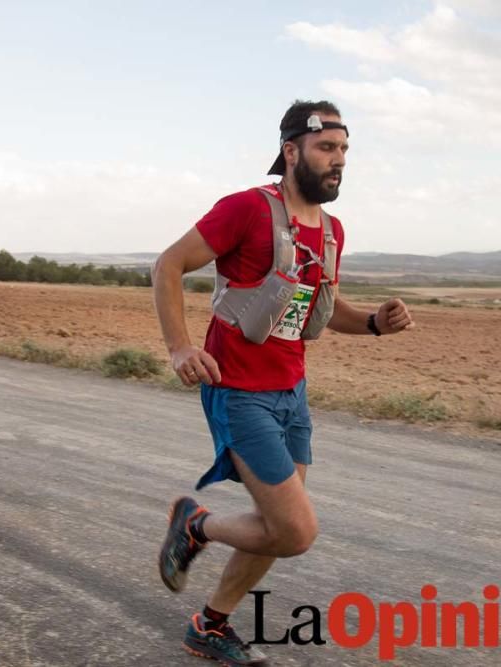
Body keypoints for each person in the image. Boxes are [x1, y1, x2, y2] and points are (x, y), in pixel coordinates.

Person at [152, 99, 415, 666]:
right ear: (291, 151)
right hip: (238, 392)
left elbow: (323, 305)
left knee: (275, 525)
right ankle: (197, 524)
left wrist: (372, 323)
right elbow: (168, 265)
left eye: (344, 149)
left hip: (292, 395)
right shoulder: (247, 208)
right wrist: (179, 347)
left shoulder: (332, 229)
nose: (338, 160)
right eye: (326, 148)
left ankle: (210, 625)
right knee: (295, 531)